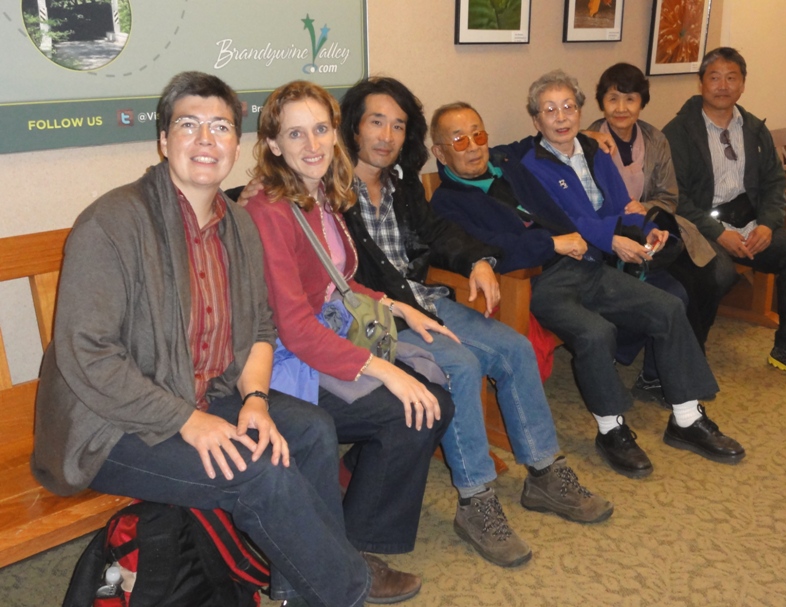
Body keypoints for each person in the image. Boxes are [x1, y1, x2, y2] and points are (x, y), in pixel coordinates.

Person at [30, 72, 370, 607]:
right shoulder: (113, 223)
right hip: (111, 424)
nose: (206, 140)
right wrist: (187, 421)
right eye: (188, 125)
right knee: (260, 473)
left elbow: (260, 326)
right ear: (164, 140)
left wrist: (255, 401)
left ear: (238, 144)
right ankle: (342, 590)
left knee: (310, 430)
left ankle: (295, 590)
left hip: (206, 392)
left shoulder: (237, 223)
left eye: (221, 127)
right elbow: (87, 353)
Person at [335, 76, 613, 568]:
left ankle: (546, 474)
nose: (387, 135)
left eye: (398, 125)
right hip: (379, 318)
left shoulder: (400, 184)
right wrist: (407, 307)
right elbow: (348, 279)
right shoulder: (333, 193)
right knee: (461, 366)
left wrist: (478, 260)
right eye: (376, 122)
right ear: (354, 128)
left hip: (424, 300)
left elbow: (439, 233)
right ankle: (475, 501)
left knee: (515, 348)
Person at [428, 101, 746, 480]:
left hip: (582, 266)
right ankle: (612, 430)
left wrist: (587, 135)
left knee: (668, 306)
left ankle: (686, 417)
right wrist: (552, 244)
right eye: (459, 140)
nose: (473, 146)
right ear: (439, 152)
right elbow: (492, 248)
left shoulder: (506, 163)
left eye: (478, 134)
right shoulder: (446, 203)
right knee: (596, 332)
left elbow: (534, 139)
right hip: (534, 282)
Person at [242, 80, 454, 597]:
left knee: (433, 397)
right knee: (410, 408)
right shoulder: (270, 211)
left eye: (321, 129)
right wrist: (381, 369)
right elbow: (293, 326)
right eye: (296, 134)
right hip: (289, 358)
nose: (313, 145)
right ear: (273, 145)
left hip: (325, 336)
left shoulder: (317, 194)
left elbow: (338, 281)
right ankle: (347, 554)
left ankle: (351, 525)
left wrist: (398, 305)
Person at [504, 68, 693, 410]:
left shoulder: (595, 151)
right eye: (549, 110)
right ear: (535, 121)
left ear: (580, 111)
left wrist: (648, 227)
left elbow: (623, 204)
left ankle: (688, 412)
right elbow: (567, 220)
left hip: (607, 257)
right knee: (622, 319)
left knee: (674, 300)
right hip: (573, 265)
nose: (561, 117)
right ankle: (618, 414)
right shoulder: (530, 166)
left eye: (568, 107)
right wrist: (613, 240)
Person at [663, 47, 786, 381]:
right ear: (701, 83)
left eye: (731, 77)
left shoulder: (753, 128)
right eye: (714, 77)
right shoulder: (678, 132)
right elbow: (676, 196)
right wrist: (718, 233)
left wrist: (768, 225)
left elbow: (774, 183)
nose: (723, 85)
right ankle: (692, 354)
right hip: (705, 230)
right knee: (719, 274)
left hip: (750, 225)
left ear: (742, 84)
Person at [587, 62, 722, 361]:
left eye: (630, 99)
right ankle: (658, 362)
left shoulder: (655, 139)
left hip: (655, 228)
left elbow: (669, 196)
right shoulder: (588, 141)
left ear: (642, 102)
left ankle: (690, 355)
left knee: (709, 277)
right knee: (677, 289)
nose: (621, 108)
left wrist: (644, 207)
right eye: (612, 99)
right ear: (601, 103)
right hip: (615, 237)